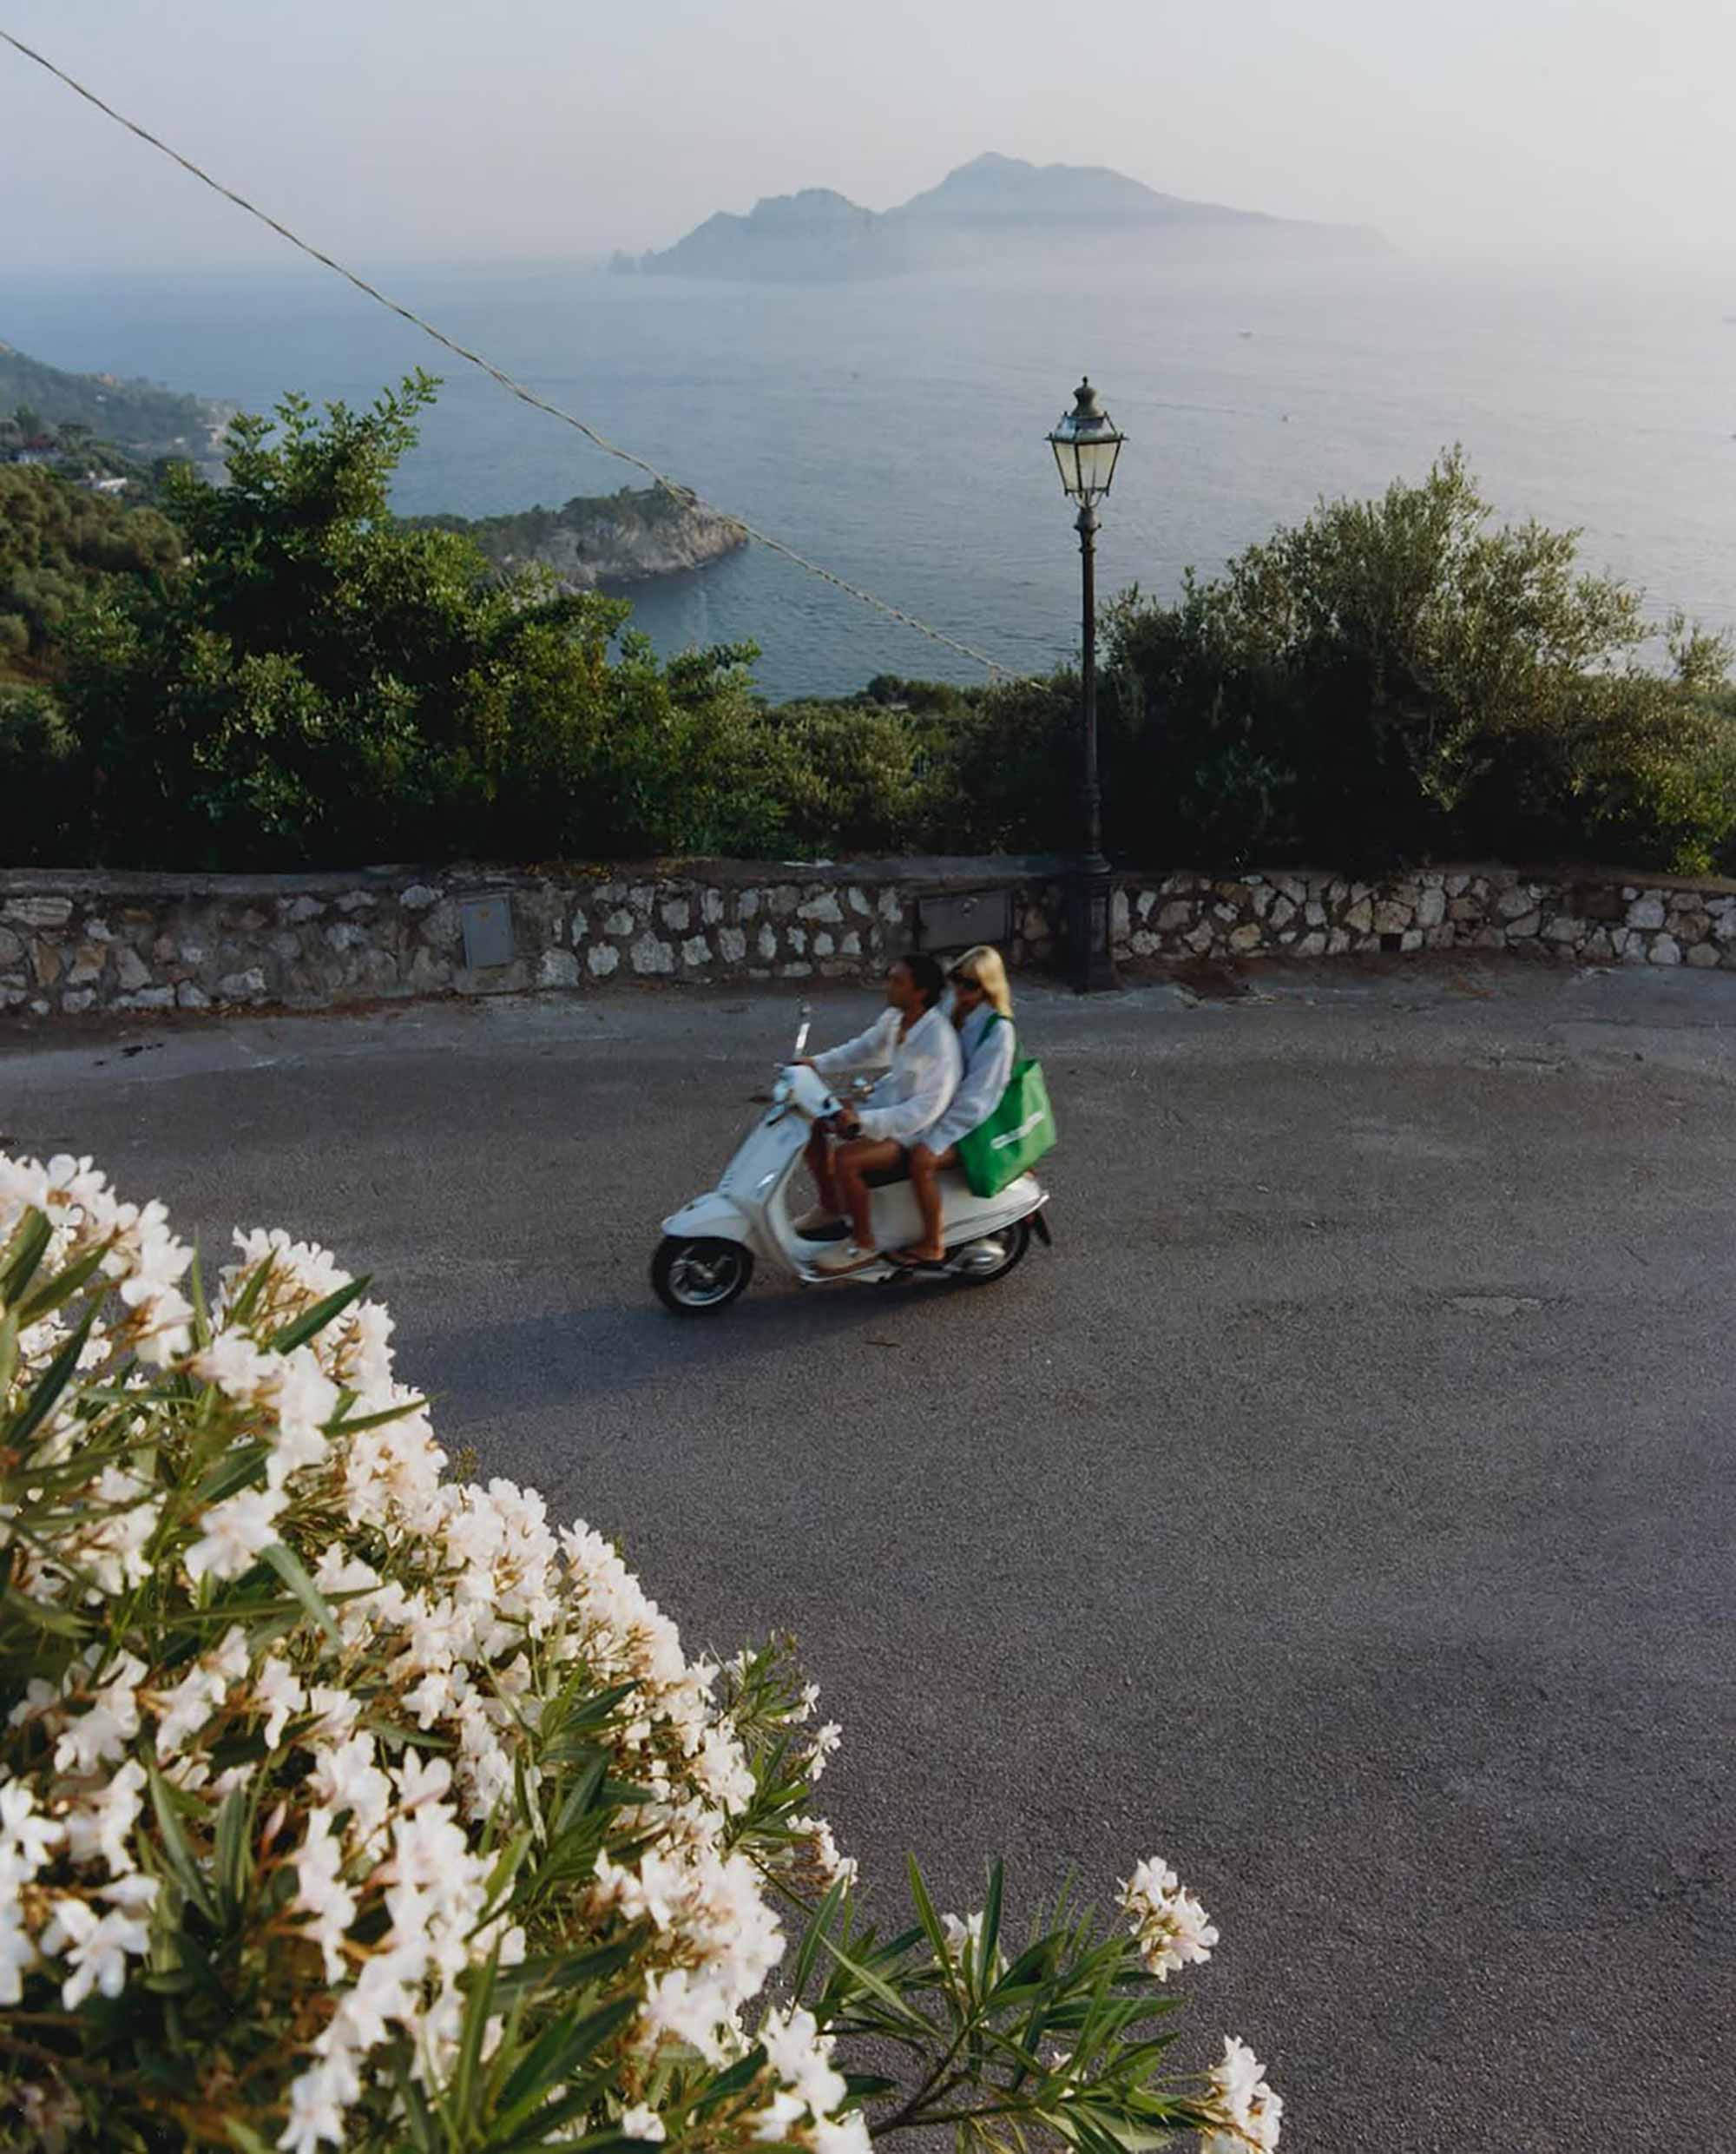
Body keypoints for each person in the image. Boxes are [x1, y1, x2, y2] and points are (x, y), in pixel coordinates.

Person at [798, 952, 961, 1275]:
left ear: (920, 992)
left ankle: (864, 1242)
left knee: (848, 1160)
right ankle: (831, 1207)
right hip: (886, 1110)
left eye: (898, 981)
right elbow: (865, 1048)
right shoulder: (896, 1018)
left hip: (916, 1131)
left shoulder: (938, 1040)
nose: (889, 986)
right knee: (813, 1121)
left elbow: (925, 1109)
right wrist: (816, 1063)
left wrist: (865, 1122)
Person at [895, 945, 1017, 1268]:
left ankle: (933, 1243)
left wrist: (937, 1135)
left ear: (989, 986)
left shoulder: (999, 1031)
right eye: (958, 980)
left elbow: (978, 1099)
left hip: (970, 1124)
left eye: (971, 985)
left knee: (921, 1160)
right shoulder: (954, 1007)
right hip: (939, 1107)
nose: (961, 990)